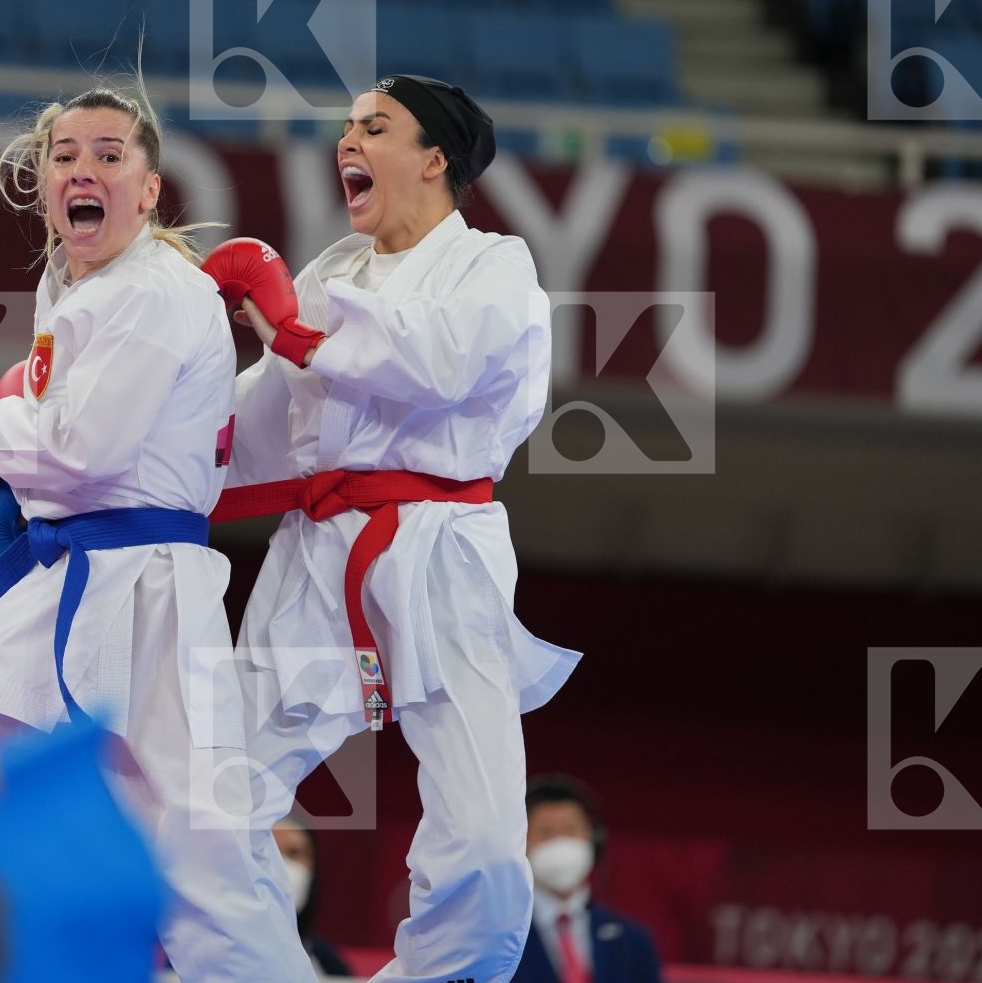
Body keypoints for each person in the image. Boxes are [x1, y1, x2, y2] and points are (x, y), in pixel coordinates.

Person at [0, 82, 310, 981]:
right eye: (65, 155)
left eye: (110, 155)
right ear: (42, 181)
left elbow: (86, 449)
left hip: (149, 592)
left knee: (208, 850)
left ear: (151, 188)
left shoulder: (157, 289)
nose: (84, 170)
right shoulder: (77, 284)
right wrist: (24, 493)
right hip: (65, 571)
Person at [206, 74, 581, 983]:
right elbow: (261, 422)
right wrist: (134, 461)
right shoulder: (332, 273)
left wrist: (294, 330)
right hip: (320, 548)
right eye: (344, 129)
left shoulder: (496, 265)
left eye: (374, 127)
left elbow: (441, 361)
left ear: (434, 159)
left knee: (488, 840)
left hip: (444, 547)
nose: (348, 143)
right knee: (211, 805)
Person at [512, 777, 661, 983]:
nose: (560, 842)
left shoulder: (632, 941)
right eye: (546, 832)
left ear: (594, 839)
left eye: (571, 830)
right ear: (520, 843)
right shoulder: (500, 939)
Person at [274, 816, 355, 978]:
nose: (282, 865)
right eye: (272, 851)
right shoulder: (219, 953)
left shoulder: (328, 962)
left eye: (294, 853)